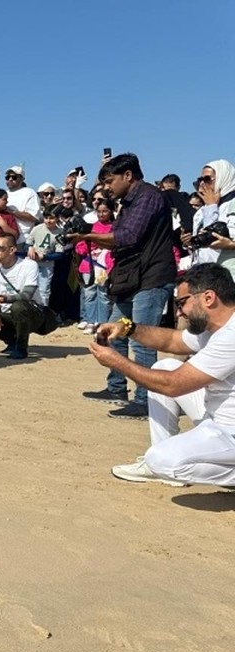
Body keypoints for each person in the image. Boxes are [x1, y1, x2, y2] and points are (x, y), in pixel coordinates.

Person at [96, 264, 235, 487]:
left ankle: (164, 464)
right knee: (165, 366)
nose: (179, 312)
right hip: (218, 420)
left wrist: (117, 362)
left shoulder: (231, 335)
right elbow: (172, 340)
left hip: (230, 432)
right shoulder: (215, 327)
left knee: (161, 460)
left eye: (182, 303)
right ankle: (162, 461)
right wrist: (127, 327)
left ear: (208, 298)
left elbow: (173, 385)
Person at [67, 153, 177, 420]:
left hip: (151, 277)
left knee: (141, 340)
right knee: (109, 333)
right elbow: (120, 237)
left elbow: (127, 237)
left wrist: (86, 234)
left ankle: (144, 401)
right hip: (130, 277)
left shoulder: (148, 197)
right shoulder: (127, 202)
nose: (106, 186)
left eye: (110, 180)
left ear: (128, 176)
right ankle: (116, 387)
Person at [0, 235, 49, 359]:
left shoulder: (29, 265)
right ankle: (12, 342)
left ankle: (21, 348)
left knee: (18, 307)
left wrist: (1, 299)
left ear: (12, 250)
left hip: (33, 313)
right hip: (8, 314)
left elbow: (27, 295)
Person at [74, 197, 115, 333]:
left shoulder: (114, 228)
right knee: (89, 293)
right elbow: (80, 246)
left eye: (105, 211)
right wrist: (90, 246)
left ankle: (102, 322)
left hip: (105, 265)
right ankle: (90, 321)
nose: (102, 214)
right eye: (99, 211)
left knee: (103, 295)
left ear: (111, 211)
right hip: (89, 265)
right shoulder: (90, 227)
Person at [188, 160, 235, 275]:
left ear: (223, 178)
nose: (203, 185)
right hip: (205, 275)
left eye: (207, 179)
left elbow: (215, 239)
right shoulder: (201, 212)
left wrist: (230, 245)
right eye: (200, 180)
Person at [2, 165, 40, 247]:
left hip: (23, 240)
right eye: (7, 177)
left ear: (22, 179)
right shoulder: (4, 194)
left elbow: (34, 218)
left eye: (14, 177)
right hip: (5, 239)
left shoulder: (29, 193)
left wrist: (12, 212)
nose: (10, 179)